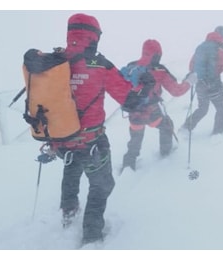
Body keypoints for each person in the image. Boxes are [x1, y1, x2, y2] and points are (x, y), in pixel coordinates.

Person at [50, 13, 132, 246]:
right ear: (94, 36)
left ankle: (68, 212)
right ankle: (92, 235)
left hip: (61, 139)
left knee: (71, 169)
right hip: (91, 140)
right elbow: (128, 98)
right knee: (102, 184)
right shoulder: (100, 64)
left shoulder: (55, 61)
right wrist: (143, 87)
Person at [121, 39, 197, 172]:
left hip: (134, 112)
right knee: (166, 125)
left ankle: (128, 164)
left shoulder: (131, 66)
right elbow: (176, 91)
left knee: (135, 138)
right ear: (157, 54)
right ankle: (166, 155)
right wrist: (189, 82)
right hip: (152, 112)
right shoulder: (159, 70)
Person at [181, 26, 223, 135]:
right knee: (221, 109)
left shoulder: (201, 47)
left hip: (200, 84)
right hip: (214, 84)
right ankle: (217, 133)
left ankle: (186, 128)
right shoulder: (220, 49)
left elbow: (191, 66)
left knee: (202, 109)